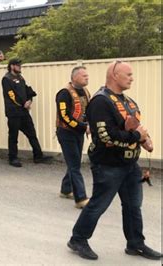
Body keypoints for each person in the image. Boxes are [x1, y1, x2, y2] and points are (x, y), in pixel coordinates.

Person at [68, 61, 162, 261]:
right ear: (114, 75)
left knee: (133, 206)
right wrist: (137, 137)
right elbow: (106, 137)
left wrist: (145, 138)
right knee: (98, 204)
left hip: (130, 165)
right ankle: (78, 239)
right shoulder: (101, 101)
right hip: (108, 165)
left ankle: (135, 243)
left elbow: (135, 125)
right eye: (128, 74)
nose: (132, 78)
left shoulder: (127, 100)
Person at [1, 58, 52, 167]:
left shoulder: (21, 77)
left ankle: (38, 156)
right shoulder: (6, 79)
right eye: (18, 65)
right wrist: (23, 103)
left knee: (32, 134)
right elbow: (11, 96)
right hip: (13, 113)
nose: (20, 67)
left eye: (20, 65)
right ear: (12, 66)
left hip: (24, 112)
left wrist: (29, 100)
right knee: (13, 136)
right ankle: (13, 158)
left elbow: (26, 90)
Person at [55, 66, 91, 209]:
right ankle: (80, 198)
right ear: (74, 77)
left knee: (74, 162)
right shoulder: (64, 94)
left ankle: (65, 189)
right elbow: (65, 117)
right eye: (84, 76)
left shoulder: (86, 92)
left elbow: (88, 110)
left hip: (78, 133)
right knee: (75, 165)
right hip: (66, 133)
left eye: (87, 75)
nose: (87, 78)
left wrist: (89, 125)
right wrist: (84, 127)